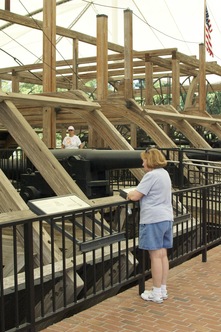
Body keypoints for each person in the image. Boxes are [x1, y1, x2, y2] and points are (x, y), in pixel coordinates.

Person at [127, 148, 173, 304]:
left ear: (150, 160)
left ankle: (156, 293)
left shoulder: (151, 175)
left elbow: (135, 196)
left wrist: (128, 194)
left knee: (154, 256)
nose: (142, 162)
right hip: (166, 218)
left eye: (144, 160)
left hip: (153, 219)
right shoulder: (164, 174)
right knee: (163, 255)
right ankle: (162, 289)